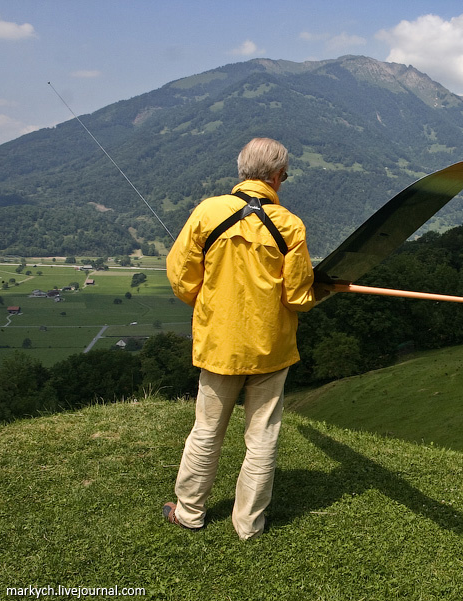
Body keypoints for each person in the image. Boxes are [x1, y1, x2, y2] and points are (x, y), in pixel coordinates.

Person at [163, 137, 320, 540]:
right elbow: (299, 298)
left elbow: (182, 280)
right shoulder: (290, 225)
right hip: (271, 349)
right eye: (283, 176)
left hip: (220, 346)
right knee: (262, 435)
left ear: (241, 170)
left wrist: (213, 303)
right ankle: (249, 524)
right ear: (276, 176)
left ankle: (190, 513)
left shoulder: (208, 212)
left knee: (206, 431)